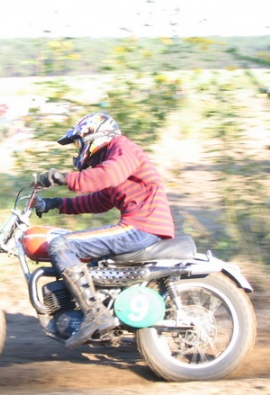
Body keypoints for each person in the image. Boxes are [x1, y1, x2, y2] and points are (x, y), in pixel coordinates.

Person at [36, 112, 175, 348]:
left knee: (62, 245)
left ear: (94, 136)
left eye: (79, 142)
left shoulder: (122, 148)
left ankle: (95, 314)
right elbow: (99, 201)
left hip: (142, 226)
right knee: (86, 258)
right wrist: (56, 203)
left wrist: (63, 178)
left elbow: (106, 176)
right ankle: (96, 309)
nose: (78, 149)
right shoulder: (113, 158)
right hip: (141, 225)